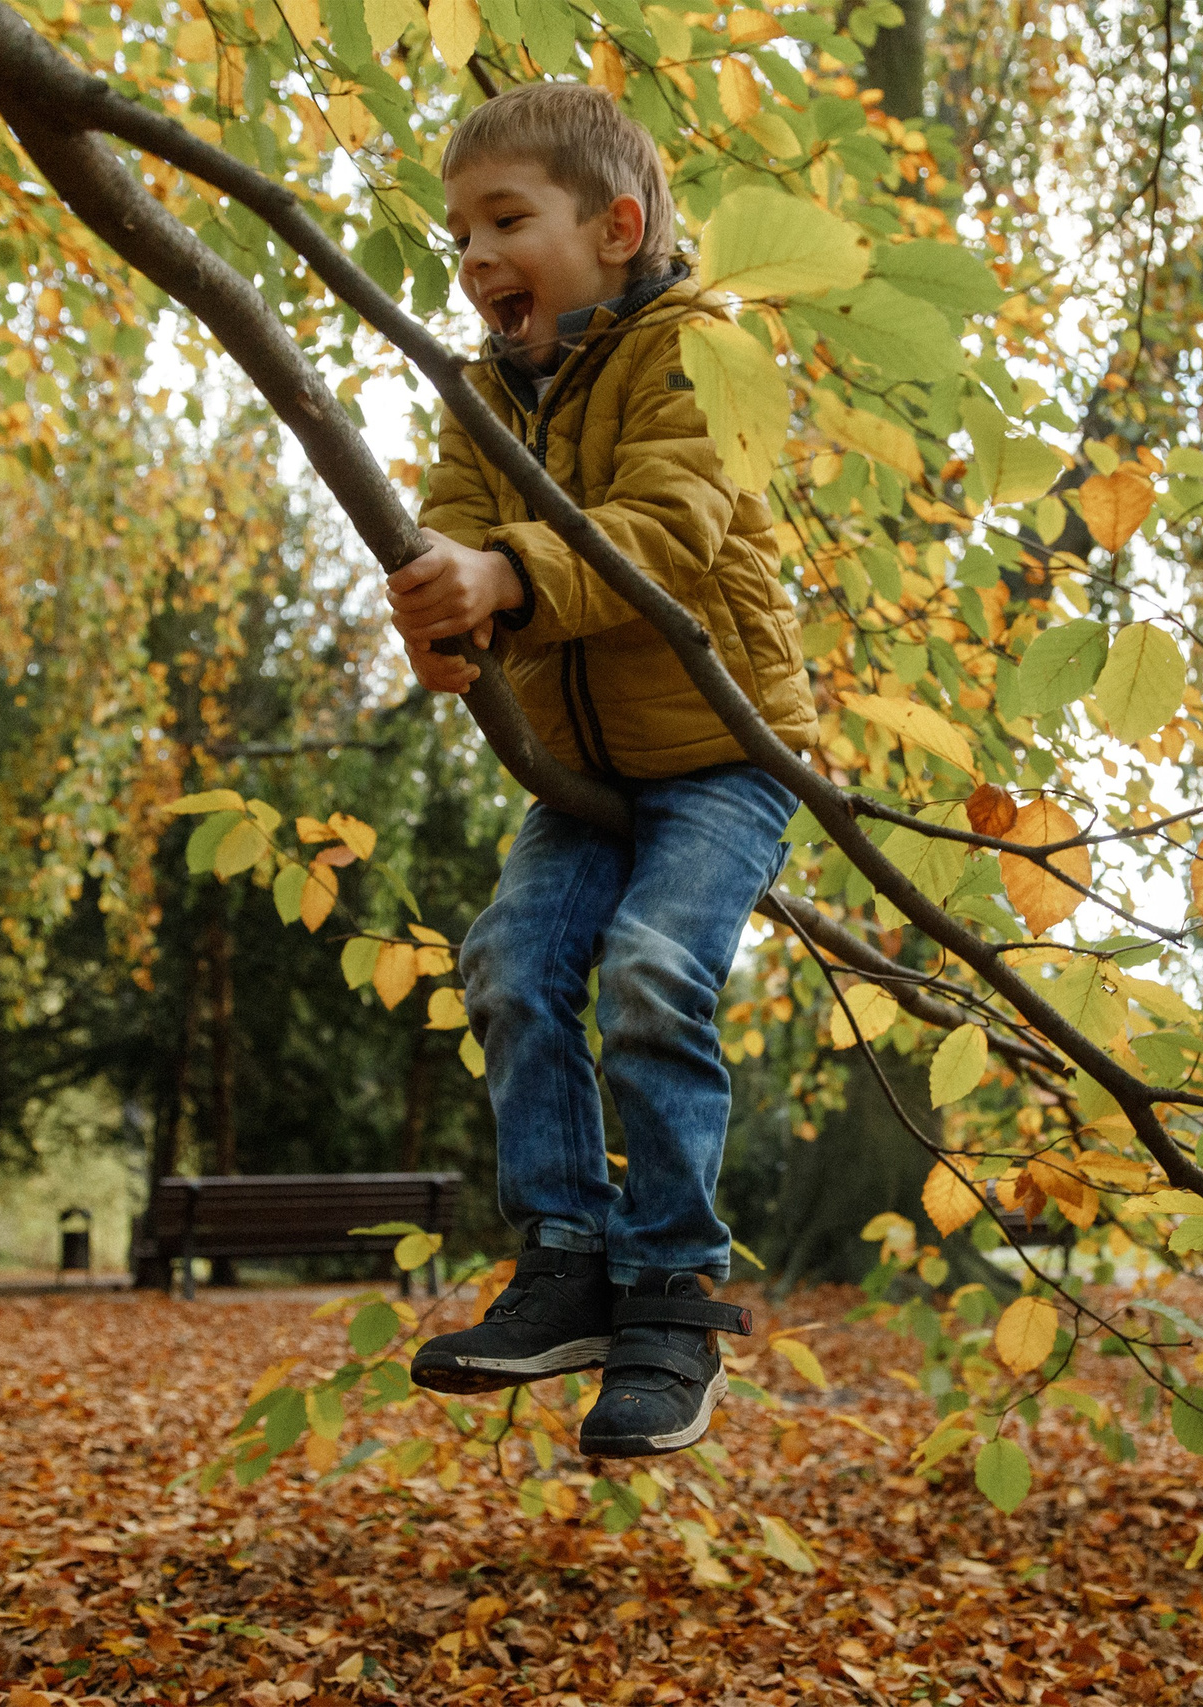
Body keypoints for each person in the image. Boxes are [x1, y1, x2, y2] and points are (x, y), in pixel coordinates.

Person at [384, 82, 816, 1458]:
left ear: (618, 227)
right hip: (580, 777)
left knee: (646, 972)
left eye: (507, 219)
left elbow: (669, 527)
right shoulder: (481, 396)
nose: (473, 256)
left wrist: (511, 573)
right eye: (459, 233)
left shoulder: (694, 350)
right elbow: (451, 528)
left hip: (722, 759)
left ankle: (673, 1296)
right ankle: (565, 1261)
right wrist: (446, 614)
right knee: (510, 962)